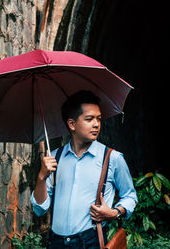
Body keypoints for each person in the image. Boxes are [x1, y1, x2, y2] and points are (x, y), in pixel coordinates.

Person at [30, 90, 137, 248]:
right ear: (72, 124)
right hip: (55, 242)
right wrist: (41, 178)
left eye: (98, 119)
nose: (96, 124)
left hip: (90, 241)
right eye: (89, 119)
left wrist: (114, 213)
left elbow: (130, 196)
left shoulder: (112, 158)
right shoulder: (54, 158)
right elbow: (39, 210)